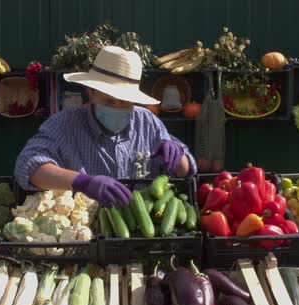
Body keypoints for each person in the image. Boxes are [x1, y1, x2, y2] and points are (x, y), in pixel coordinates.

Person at [14, 46, 197, 208]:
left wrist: (179, 158)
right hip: (86, 231)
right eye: (109, 100)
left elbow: (184, 171)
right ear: (91, 93)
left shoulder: (147, 122)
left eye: (125, 101)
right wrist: (83, 182)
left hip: (140, 228)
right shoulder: (64, 124)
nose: (117, 107)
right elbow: (27, 165)